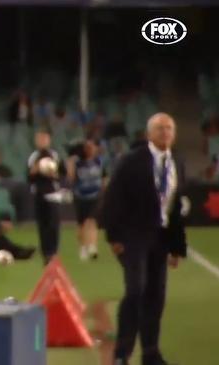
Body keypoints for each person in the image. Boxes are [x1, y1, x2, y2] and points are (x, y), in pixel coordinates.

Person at [103, 113, 186, 365]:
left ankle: (150, 352)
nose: (165, 132)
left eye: (169, 128)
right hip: (133, 236)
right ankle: (122, 354)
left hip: (160, 237)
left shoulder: (177, 163)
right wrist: (114, 236)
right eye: (160, 128)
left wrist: (176, 247)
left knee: (155, 295)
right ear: (149, 134)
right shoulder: (131, 161)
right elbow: (113, 198)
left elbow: (175, 208)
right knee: (135, 290)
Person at [28, 130, 66, 264]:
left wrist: (55, 175)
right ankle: (46, 254)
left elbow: (63, 173)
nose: (42, 141)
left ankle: (53, 252)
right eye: (39, 138)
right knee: (42, 225)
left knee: (53, 225)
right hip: (39, 194)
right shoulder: (33, 157)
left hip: (53, 194)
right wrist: (36, 170)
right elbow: (29, 177)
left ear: (49, 140)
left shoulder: (55, 155)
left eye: (44, 138)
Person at [67, 139, 107, 261]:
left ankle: (93, 247)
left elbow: (104, 177)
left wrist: (105, 189)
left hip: (95, 195)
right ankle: (83, 247)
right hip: (80, 196)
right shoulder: (78, 163)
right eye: (87, 147)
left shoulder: (98, 162)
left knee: (93, 221)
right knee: (82, 223)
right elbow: (71, 178)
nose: (90, 149)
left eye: (92, 147)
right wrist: (71, 164)